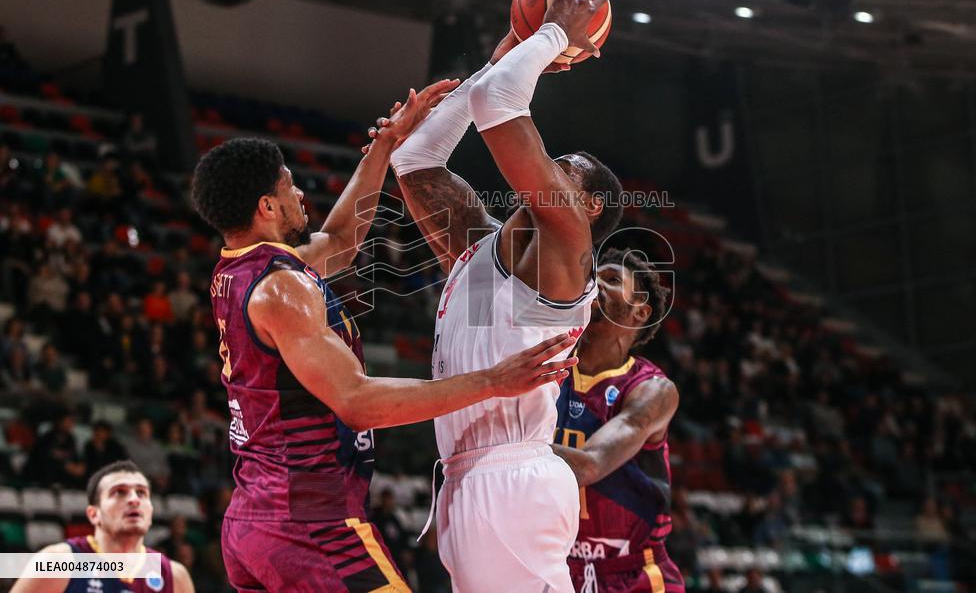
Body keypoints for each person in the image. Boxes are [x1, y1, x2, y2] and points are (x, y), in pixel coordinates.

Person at [190, 81, 580, 593]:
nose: (300, 194)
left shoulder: (241, 271)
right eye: (289, 187)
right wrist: (492, 381)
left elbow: (342, 240)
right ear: (266, 206)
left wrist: (384, 146)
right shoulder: (281, 288)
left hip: (256, 515)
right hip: (309, 521)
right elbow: (357, 402)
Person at [388, 0, 619, 591]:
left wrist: (549, 35)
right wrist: (510, 50)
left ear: (589, 205)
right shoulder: (479, 245)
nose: (546, 164)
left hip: (514, 477)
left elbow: (499, 101)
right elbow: (414, 159)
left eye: (565, 167)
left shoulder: (567, 242)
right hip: (468, 475)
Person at [552, 247, 684, 592]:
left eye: (610, 279)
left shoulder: (652, 390)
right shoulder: (546, 368)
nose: (594, 285)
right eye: (591, 278)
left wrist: (502, 448)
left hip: (633, 574)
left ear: (640, 312)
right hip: (553, 567)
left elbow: (590, 465)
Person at [11, 460, 194, 593]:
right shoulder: (60, 562)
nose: (134, 500)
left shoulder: (174, 576)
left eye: (141, 493)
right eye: (119, 492)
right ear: (94, 514)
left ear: (151, 511)